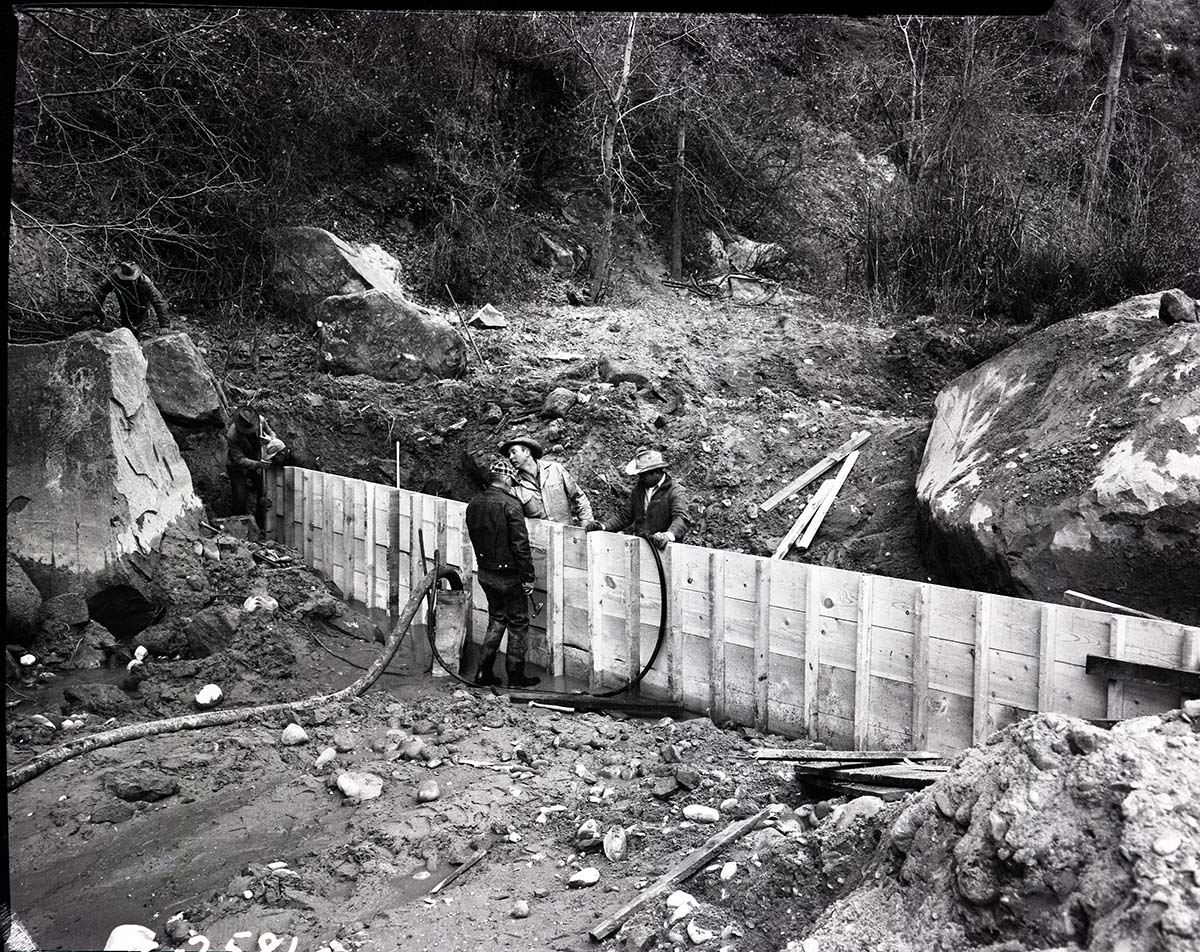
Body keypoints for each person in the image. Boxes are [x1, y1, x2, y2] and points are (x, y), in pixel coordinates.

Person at [465, 457, 540, 688]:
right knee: (517, 623)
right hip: (509, 576)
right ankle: (516, 679)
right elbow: (520, 545)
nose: (512, 485)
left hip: (486, 574)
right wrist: (528, 576)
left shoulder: (474, 503)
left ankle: (482, 673)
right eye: (512, 482)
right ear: (506, 479)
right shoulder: (511, 505)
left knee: (496, 620)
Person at [586, 446, 689, 549]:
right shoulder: (638, 491)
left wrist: (667, 535)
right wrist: (603, 527)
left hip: (667, 550)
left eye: (643, 475)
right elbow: (624, 516)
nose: (640, 478)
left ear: (656, 472)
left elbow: (681, 518)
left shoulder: (675, 491)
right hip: (643, 548)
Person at [500, 434, 594, 527]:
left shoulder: (555, 469)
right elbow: (517, 520)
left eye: (514, 452)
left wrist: (586, 522)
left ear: (527, 452)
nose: (511, 457)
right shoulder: (515, 486)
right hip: (539, 540)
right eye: (509, 455)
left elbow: (579, 497)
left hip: (566, 535)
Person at [226, 405, 288, 531]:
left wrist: (269, 439)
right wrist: (258, 464)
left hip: (256, 460)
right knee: (240, 497)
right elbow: (239, 460)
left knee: (263, 492)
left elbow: (272, 433)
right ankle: (239, 527)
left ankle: (261, 523)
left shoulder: (260, 421)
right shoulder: (232, 435)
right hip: (237, 467)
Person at [93, 261, 171, 337]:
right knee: (127, 329)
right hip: (124, 306)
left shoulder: (144, 281)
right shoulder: (115, 277)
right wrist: (94, 311)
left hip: (142, 307)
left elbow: (158, 301)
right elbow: (100, 291)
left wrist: (164, 325)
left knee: (140, 329)